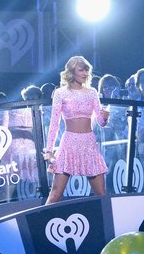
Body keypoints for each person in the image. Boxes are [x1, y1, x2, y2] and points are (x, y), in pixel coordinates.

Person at [43, 56, 110, 204]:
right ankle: (41, 225)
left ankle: (108, 225)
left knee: (101, 194)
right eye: (81, 70)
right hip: (69, 143)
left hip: (89, 143)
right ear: (71, 72)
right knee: (55, 194)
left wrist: (105, 118)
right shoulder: (60, 93)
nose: (85, 74)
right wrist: (49, 150)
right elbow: (54, 123)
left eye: (87, 70)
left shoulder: (92, 92)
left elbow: (100, 122)